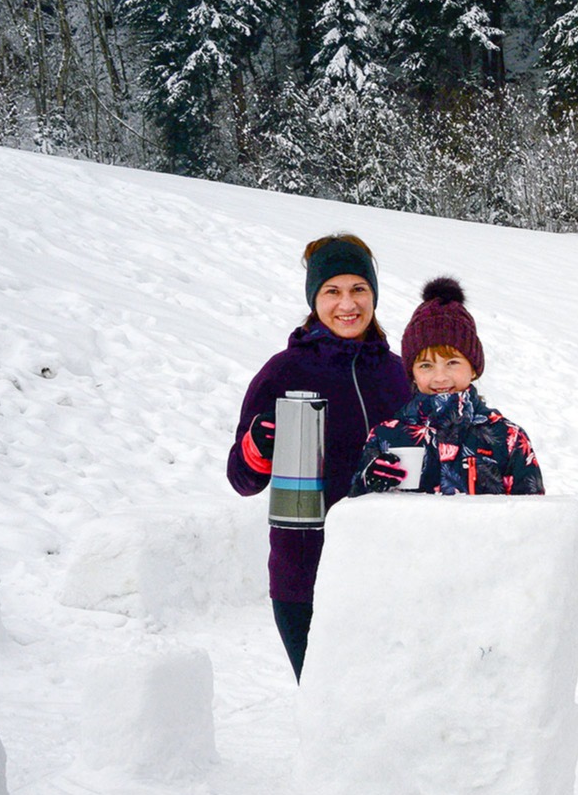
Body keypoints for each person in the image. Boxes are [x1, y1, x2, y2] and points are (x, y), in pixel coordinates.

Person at [228, 234, 412, 679]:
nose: (347, 304)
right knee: (328, 712)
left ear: (373, 295)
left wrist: (405, 472)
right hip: (304, 578)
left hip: (390, 574)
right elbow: (242, 479)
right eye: (332, 291)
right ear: (315, 299)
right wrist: (261, 444)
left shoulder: (398, 374)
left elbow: (425, 460)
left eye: (358, 290)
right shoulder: (284, 371)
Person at [350, 277, 544, 498]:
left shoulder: (508, 438)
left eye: (452, 363)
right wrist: (369, 484)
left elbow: (533, 519)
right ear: (412, 372)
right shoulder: (386, 435)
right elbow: (358, 517)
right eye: (426, 365)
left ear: (473, 367)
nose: (440, 377)